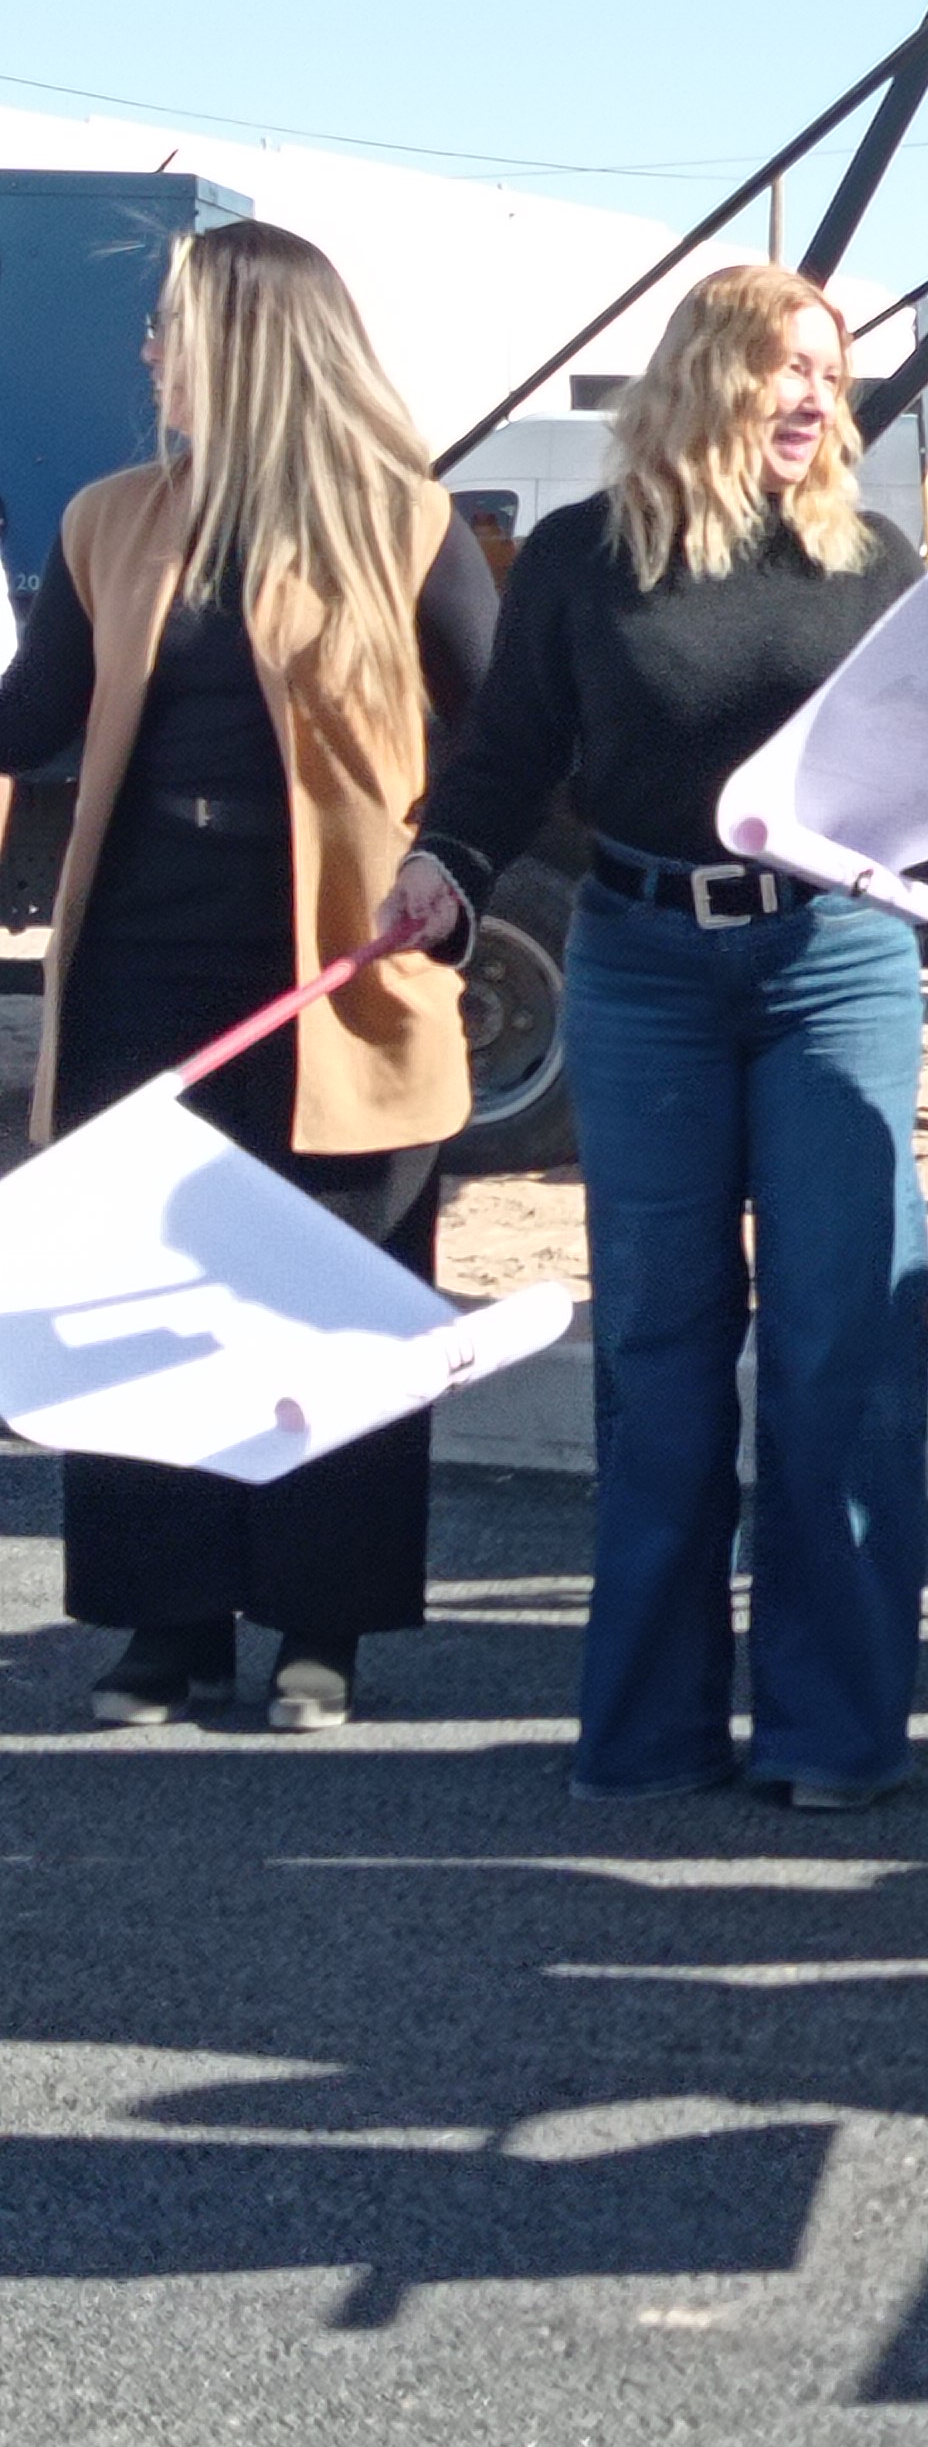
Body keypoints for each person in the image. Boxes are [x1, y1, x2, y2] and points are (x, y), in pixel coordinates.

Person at [400, 264, 928, 1808]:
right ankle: (648, 1730)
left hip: (834, 961)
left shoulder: (873, 560)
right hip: (639, 966)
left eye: (830, 370)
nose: (814, 395)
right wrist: (445, 865)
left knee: (840, 1345)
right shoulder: (584, 555)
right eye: (785, 365)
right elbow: (507, 755)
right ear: (704, 375)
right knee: (660, 1350)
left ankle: (833, 1734)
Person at [2, 222, 492, 1733]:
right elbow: (32, 719)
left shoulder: (405, 523)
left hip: (337, 978)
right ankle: (167, 1625)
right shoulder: (108, 518)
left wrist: (450, 867)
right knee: (145, 1291)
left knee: (336, 1297)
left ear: (253, 345)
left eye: (172, 325)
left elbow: (506, 729)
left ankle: (319, 1626)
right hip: (141, 963)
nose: (150, 350)